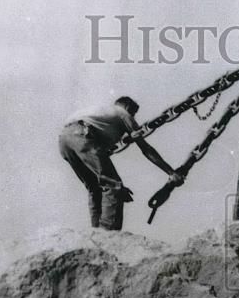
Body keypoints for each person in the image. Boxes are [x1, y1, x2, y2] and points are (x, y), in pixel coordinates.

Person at [58, 96, 183, 230]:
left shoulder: (102, 113)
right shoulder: (123, 114)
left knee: (94, 187)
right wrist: (171, 172)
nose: (133, 118)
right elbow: (146, 149)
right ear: (128, 108)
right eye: (133, 114)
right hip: (83, 135)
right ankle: (108, 233)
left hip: (64, 140)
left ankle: (94, 231)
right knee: (113, 185)